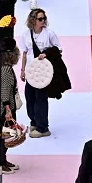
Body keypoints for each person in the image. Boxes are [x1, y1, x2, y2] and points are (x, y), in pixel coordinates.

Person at [19, 8, 61, 138]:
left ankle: (43, 128)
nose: (43, 21)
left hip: (43, 73)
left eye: (44, 18)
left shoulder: (49, 34)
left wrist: (46, 54)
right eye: (40, 19)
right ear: (33, 20)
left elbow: (58, 50)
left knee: (41, 99)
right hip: (31, 72)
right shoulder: (26, 34)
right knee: (29, 97)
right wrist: (22, 70)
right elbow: (25, 53)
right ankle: (34, 121)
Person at [0, 39, 22, 174]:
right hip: (5, 110)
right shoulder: (5, 69)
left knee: (6, 135)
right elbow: (4, 90)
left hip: (6, 108)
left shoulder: (4, 67)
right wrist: (8, 110)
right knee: (5, 135)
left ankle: (3, 159)